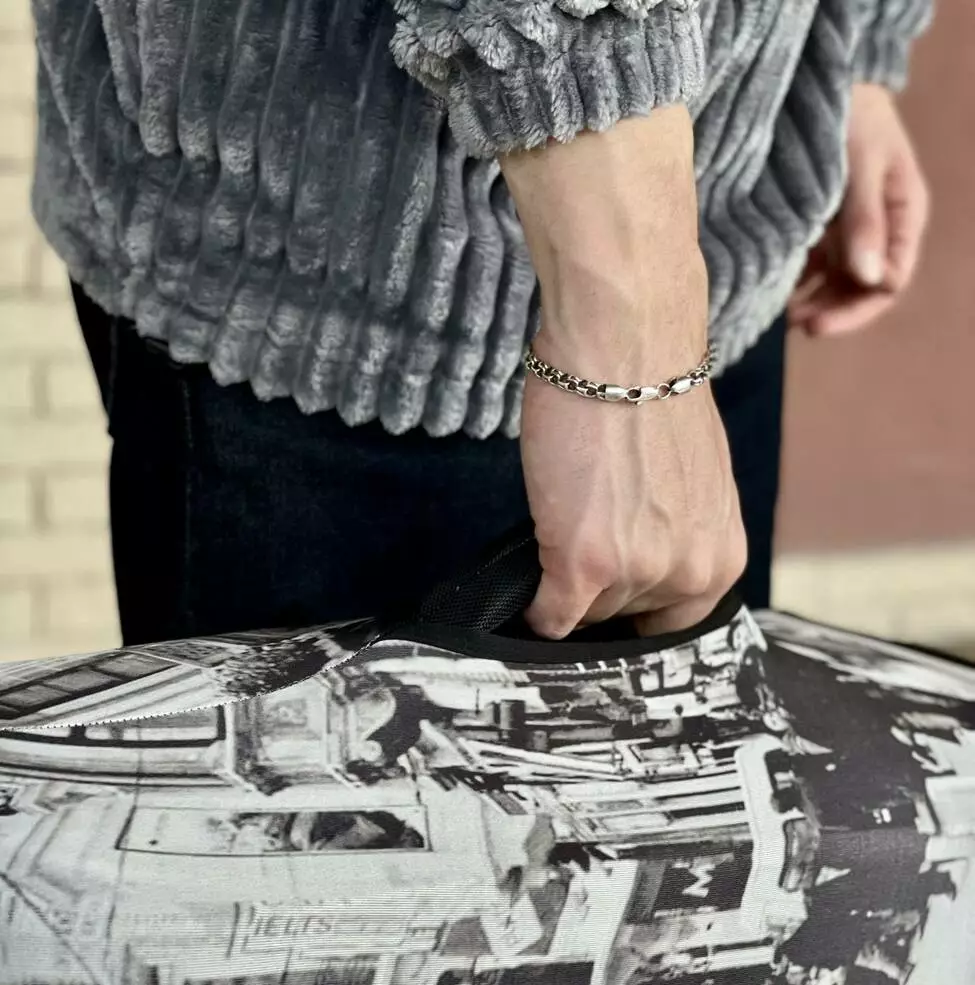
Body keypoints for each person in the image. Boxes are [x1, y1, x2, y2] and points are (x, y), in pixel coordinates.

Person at [32, 2, 931, 645]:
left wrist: (843, 52)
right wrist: (634, 348)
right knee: (354, 845)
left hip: (707, 238)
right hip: (326, 296)